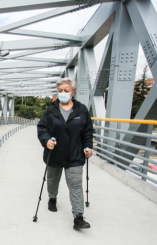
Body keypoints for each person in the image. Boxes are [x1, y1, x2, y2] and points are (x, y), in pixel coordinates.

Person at [37, 77, 94, 230]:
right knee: (53, 179)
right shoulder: (50, 110)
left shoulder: (81, 110)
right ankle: (52, 198)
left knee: (75, 185)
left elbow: (88, 131)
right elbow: (42, 128)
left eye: (66, 91)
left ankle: (78, 217)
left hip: (75, 155)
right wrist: (46, 140)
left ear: (72, 92)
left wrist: (88, 146)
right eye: (60, 91)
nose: (62, 93)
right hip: (54, 153)